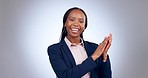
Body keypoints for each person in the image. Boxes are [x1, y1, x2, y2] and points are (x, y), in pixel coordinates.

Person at [47, 7, 112, 78]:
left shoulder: (94, 48)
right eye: (72, 20)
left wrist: (104, 57)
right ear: (65, 23)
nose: (76, 24)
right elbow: (65, 76)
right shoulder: (55, 49)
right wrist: (94, 57)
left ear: (84, 27)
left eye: (81, 21)